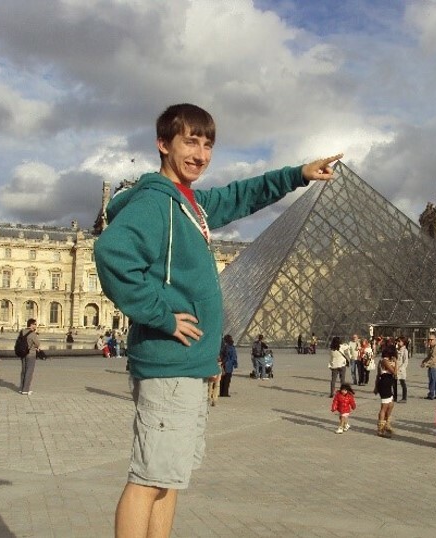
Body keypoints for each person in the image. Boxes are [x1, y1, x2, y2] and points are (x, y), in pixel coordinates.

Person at [93, 102, 342, 538]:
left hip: (188, 365)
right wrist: (163, 317)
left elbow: (243, 195)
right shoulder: (155, 203)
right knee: (149, 479)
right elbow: (112, 254)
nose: (201, 153)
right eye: (190, 141)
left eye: (208, 144)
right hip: (170, 363)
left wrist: (298, 173)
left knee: (168, 480)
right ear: (162, 144)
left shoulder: (192, 204)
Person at [375, 350, 397, 437]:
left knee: (391, 404)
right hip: (384, 385)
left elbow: (378, 375)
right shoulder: (384, 361)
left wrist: (376, 387)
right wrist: (396, 362)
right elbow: (394, 372)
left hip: (387, 385)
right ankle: (381, 428)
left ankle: (387, 423)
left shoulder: (385, 361)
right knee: (384, 407)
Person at [18, 319, 40, 396]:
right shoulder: (33, 334)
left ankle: (21, 388)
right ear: (31, 325)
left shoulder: (22, 332)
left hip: (22, 353)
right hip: (31, 354)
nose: (36, 326)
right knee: (29, 371)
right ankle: (26, 390)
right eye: (35, 324)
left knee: (23, 371)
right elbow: (37, 344)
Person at [421, 333, 436, 400]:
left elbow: (433, 359)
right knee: (435, 380)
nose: (429, 341)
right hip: (433, 365)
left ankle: (431, 394)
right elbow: (429, 357)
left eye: (431, 340)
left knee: (432, 380)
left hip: (434, 366)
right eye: (428, 339)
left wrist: (426, 364)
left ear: (435, 340)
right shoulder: (432, 347)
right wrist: (424, 361)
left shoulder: (435, 348)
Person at [395, 337, 408, 403]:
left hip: (401, 370)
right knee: (394, 383)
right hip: (395, 368)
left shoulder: (405, 351)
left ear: (403, 342)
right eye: (397, 341)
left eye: (399, 341)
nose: (398, 343)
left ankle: (404, 398)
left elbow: (405, 362)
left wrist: (400, 368)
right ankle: (394, 397)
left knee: (403, 383)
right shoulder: (397, 350)